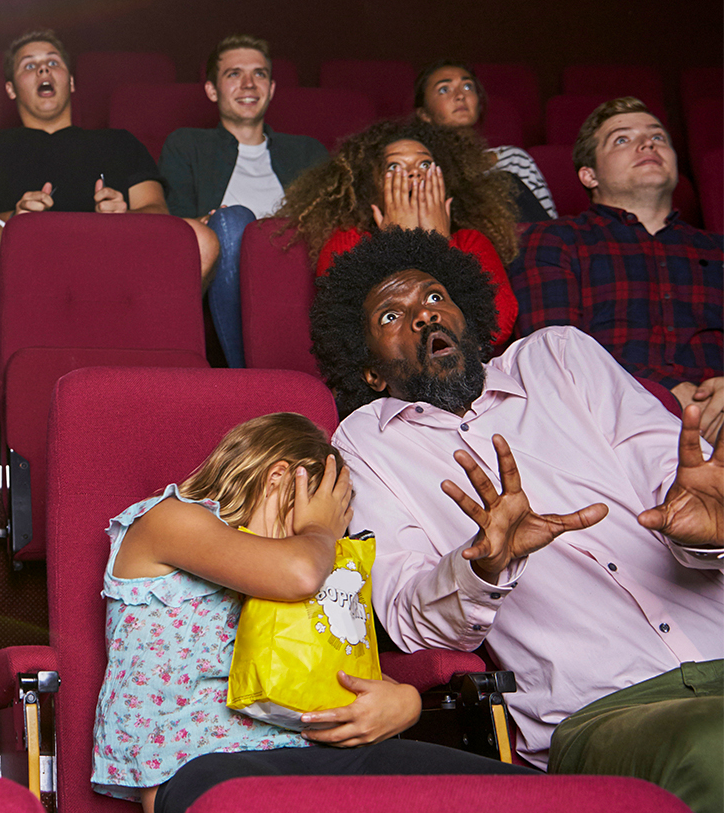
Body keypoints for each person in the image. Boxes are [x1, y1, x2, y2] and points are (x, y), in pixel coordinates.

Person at [310, 226, 722, 811]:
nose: (422, 317)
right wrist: (483, 567)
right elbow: (405, 617)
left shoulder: (560, 356)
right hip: (604, 708)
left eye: (432, 298)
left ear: (468, 316)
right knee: (714, 748)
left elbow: (677, 482)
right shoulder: (365, 444)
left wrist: (708, 531)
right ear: (370, 372)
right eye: (391, 317)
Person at [92, 412, 529, 813]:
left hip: (328, 753)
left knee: (520, 793)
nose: (335, 536)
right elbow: (297, 573)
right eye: (327, 514)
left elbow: (339, 669)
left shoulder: (310, 560)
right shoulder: (170, 520)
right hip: (207, 766)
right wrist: (317, 530)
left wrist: (405, 702)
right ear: (280, 478)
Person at [0, 29, 170, 371]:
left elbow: (158, 213)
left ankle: (132, 372)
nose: (43, 71)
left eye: (53, 62)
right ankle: (11, 380)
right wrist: (16, 217)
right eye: (29, 66)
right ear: (10, 88)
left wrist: (127, 218)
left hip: (108, 264)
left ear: (72, 82)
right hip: (17, 266)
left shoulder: (119, 142)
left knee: (202, 241)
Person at [510, 97, 723, 445]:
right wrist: (663, 394)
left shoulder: (718, 250)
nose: (648, 144)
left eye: (659, 137)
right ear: (588, 174)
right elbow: (552, 362)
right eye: (622, 139)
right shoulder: (552, 241)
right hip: (611, 431)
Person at [159, 35, 329, 367]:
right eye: (234, 74)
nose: (249, 84)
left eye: (260, 74)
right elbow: (175, 227)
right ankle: (247, 375)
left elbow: (327, 221)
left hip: (293, 265)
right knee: (231, 221)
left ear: (273, 87)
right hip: (222, 271)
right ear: (212, 90)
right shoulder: (187, 145)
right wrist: (209, 225)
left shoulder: (307, 151)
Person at [275, 117, 519, 346]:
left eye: (425, 164)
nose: (414, 173)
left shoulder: (470, 241)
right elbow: (353, 333)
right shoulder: (349, 239)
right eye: (395, 167)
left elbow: (496, 327)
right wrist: (399, 244)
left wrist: (440, 245)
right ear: (372, 184)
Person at [413, 59, 556, 221]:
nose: (460, 95)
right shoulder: (420, 169)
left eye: (468, 86)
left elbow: (548, 228)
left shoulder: (514, 159)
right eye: (444, 89)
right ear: (424, 114)